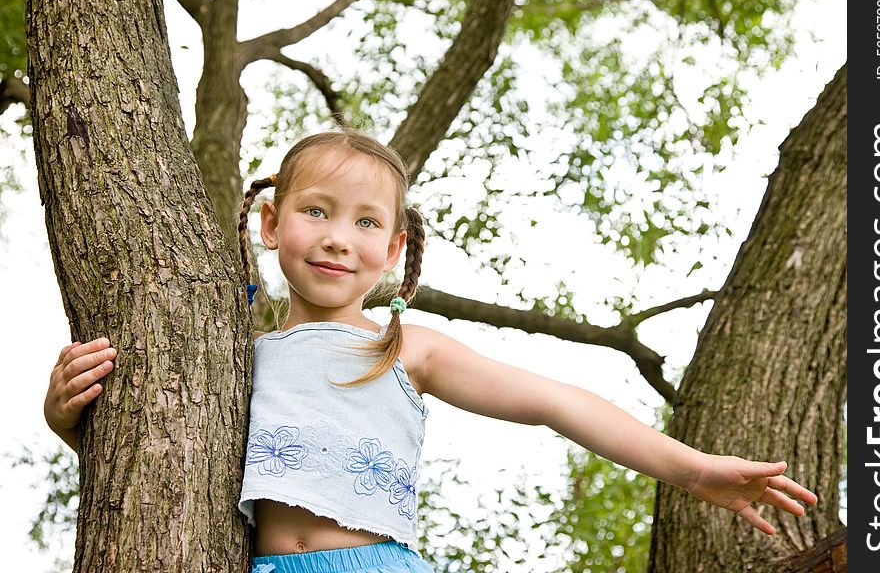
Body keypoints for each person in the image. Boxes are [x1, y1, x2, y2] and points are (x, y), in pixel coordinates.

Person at [44, 129, 818, 573]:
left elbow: (555, 402)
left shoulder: (405, 347)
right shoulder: (228, 361)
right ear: (272, 224)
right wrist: (68, 422)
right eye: (317, 212)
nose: (339, 237)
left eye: (365, 223)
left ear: (392, 249)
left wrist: (690, 468)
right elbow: (160, 463)